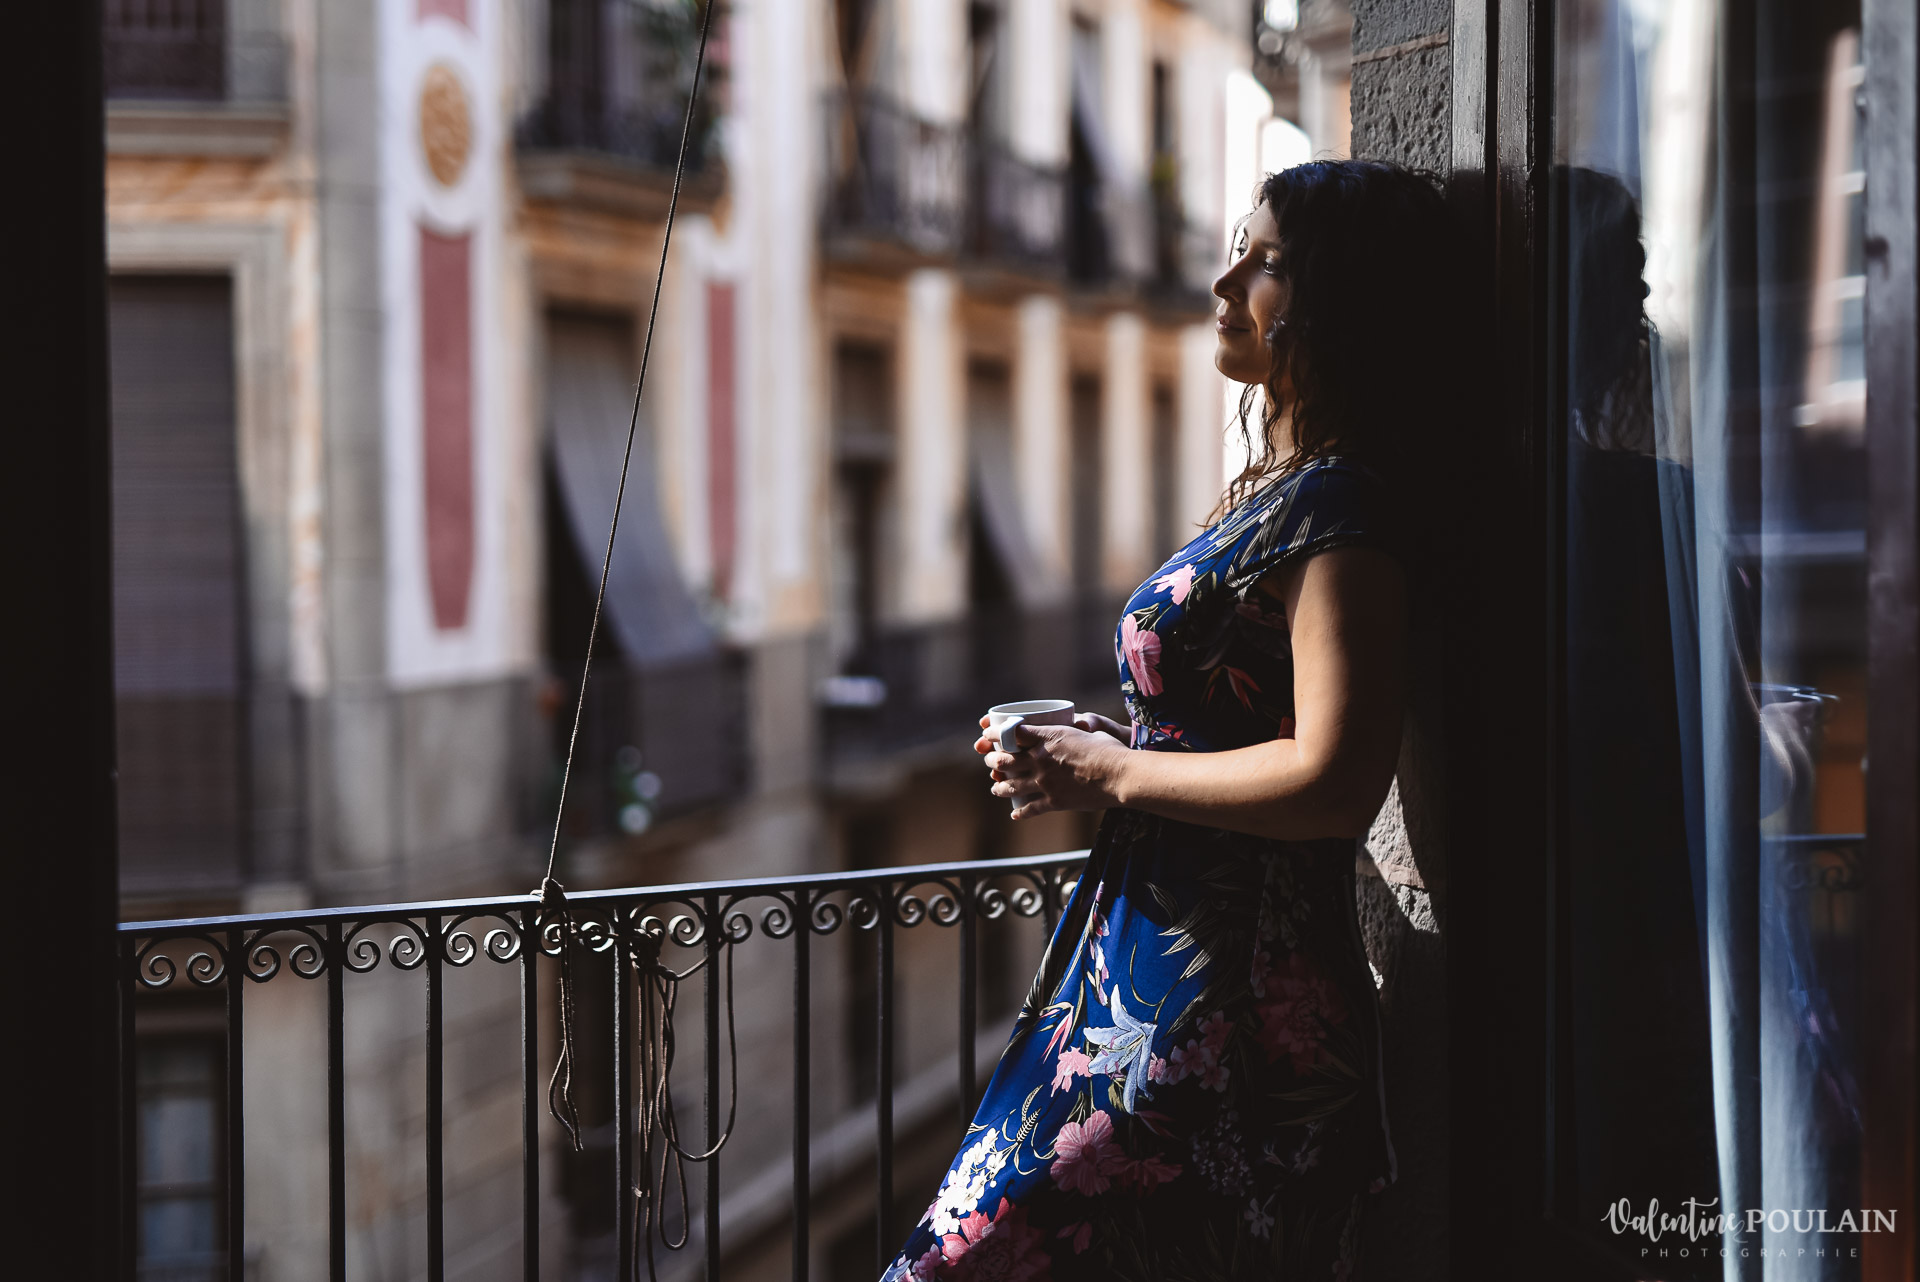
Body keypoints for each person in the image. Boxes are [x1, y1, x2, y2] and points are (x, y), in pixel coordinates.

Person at [879, 159, 1458, 1282]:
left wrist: (1116, 776)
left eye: (1268, 260)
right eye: (1237, 247)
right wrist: (1116, 749)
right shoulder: (1284, 491)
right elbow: (1246, 717)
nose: (1223, 278)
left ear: (1340, 297)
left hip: (1230, 1015)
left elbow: (1339, 778)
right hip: (1156, 981)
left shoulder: (1343, 506)